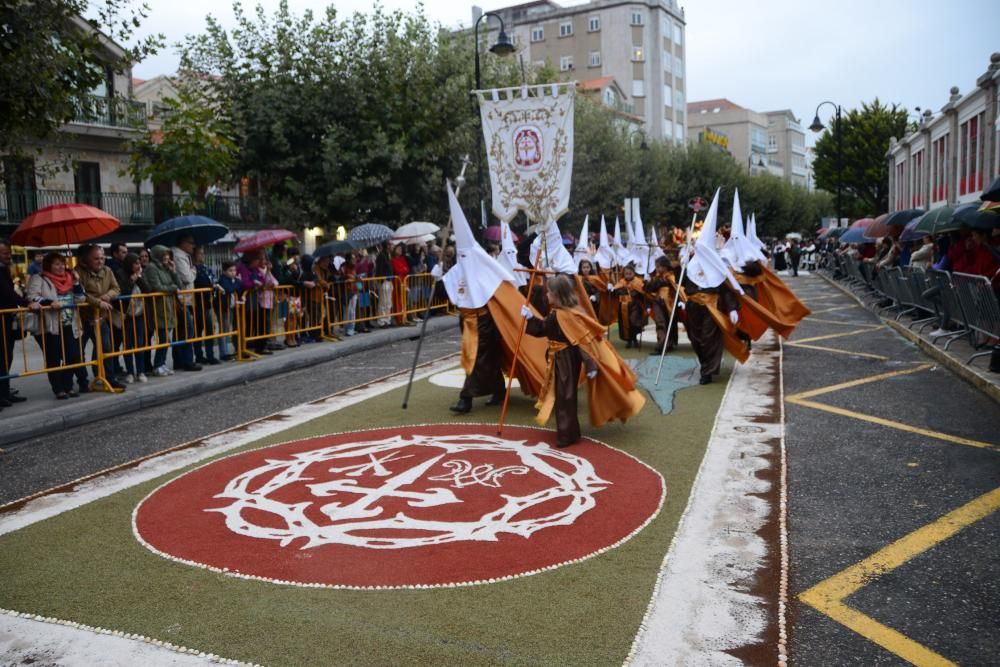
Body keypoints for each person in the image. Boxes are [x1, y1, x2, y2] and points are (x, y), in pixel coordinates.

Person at [520, 274, 646, 447]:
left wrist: (530, 318)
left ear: (557, 295)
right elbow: (552, 330)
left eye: (549, 292)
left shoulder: (563, 315)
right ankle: (569, 431)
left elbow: (577, 340)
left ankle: (567, 434)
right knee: (564, 394)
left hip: (564, 359)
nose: (546, 295)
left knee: (565, 395)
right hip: (561, 358)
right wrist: (531, 318)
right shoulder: (564, 313)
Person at [25, 252, 87, 398]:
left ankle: (68, 385)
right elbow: (32, 296)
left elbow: (80, 299)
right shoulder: (39, 278)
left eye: (62, 263)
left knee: (73, 356)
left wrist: (77, 282)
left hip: (69, 324)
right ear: (48, 265)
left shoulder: (70, 278)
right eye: (57, 264)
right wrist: (49, 303)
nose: (61, 267)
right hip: (50, 325)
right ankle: (58, 389)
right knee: (54, 358)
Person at [75, 243, 127, 390]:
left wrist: (107, 296)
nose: (100, 261)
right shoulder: (77, 272)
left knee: (106, 348)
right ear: (86, 260)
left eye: (102, 258)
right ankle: (83, 382)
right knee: (78, 352)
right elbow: (81, 295)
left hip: (101, 318)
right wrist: (98, 302)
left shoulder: (108, 270)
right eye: (96, 259)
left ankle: (108, 378)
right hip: (83, 318)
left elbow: (116, 288)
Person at [1, 238, 41, 407]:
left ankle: (5, 391)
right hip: (2, 319)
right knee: (2, 358)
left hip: (6, 320)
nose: (8, 256)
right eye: (4, 253)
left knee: (6, 357)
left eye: (9, 253)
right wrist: (26, 303)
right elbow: (6, 294)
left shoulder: (4, 269)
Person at [143, 246, 182, 376]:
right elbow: (157, 287)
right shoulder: (152, 268)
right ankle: (157, 365)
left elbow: (179, 285)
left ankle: (162, 363)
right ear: (158, 255)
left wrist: (174, 271)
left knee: (167, 338)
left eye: (168, 255)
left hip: (169, 306)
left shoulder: (166, 268)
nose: (167, 257)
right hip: (159, 307)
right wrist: (173, 288)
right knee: (163, 337)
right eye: (164, 255)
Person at [113, 253, 149, 383]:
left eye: (139, 263)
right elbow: (122, 294)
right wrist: (131, 280)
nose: (138, 265)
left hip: (139, 314)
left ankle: (140, 371)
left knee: (139, 344)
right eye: (135, 263)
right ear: (129, 264)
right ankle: (130, 372)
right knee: (128, 345)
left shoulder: (140, 274)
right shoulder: (120, 274)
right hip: (126, 315)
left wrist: (138, 278)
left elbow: (147, 290)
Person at [171, 234, 201, 371]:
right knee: (188, 329)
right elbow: (187, 277)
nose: (193, 245)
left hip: (186, 298)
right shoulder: (178, 255)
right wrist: (193, 270)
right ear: (183, 242)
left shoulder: (185, 256)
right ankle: (187, 361)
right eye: (191, 242)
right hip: (181, 299)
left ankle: (180, 361)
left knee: (181, 331)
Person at [192, 246, 221, 365]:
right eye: (200, 253)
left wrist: (214, 284)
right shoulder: (194, 268)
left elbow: (213, 279)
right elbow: (202, 282)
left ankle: (208, 355)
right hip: (197, 302)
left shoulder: (205, 267)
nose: (202, 256)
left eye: (203, 253)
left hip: (206, 302)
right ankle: (202, 355)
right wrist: (211, 284)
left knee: (208, 328)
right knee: (201, 329)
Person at [645, 255, 679, 353]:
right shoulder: (656, 277)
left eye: (659, 266)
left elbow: (676, 288)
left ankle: (670, 343)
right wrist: (647, 283)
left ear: (665, 266)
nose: (657, 268)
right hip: (658, 301)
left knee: (670, 322)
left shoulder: (671, 276)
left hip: (669, 302)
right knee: (660, 322)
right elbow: (650, 289)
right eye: (657, 266)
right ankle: (661, 345)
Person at [611, 263, 646, 348]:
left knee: (633, 321)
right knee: (625, 324)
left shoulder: (638, 282)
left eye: (630, 273)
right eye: (626, 273)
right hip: (623, 306)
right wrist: (612, 290)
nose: (628, 275)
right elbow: (615, 294)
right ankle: (629, 340)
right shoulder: (621, 282)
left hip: (635, 306)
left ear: (634, 273)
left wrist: (636, 292)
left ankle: (634, 339)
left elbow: (643, 293)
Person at [216, 261, 241, 359]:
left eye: (234, 270)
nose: (233, 273)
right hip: (222, 308)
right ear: (224, 271)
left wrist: (236, 284)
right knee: (224, 329)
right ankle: (223, 353)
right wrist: (235, 284)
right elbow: (229, 289)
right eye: (230, 271)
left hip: (230, 307)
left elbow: (240, 285)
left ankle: (226, 351)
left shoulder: (234, 280)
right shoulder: (223, 279)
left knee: (227, 328)